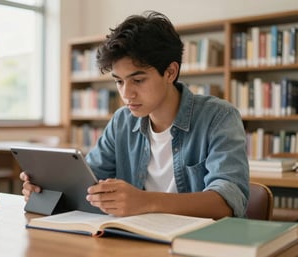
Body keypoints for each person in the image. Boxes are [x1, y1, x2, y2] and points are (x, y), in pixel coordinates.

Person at [20, 10, 249, 219]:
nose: (126, 93)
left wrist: (145, 201)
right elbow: (88, 187)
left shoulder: (219, 117)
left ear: (170, 72)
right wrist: (47, 192)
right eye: (119, 82)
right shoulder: (122, 121)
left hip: (196, 243)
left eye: (138, 80)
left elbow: (227, 202)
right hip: (136, 240)